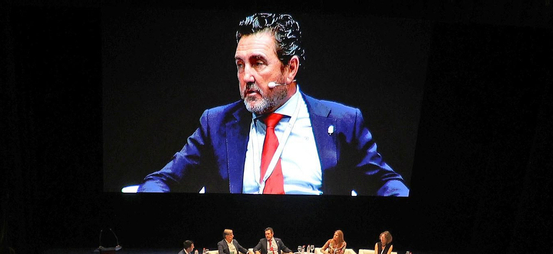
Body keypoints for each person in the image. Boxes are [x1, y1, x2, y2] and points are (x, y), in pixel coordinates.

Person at [136, 13, 407, 196]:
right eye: (240, 65)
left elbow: (387, 182)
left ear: (291, 68)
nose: (246, 77)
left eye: (258, 63)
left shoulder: (343, 121)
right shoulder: (216, 123)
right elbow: (160, 182)